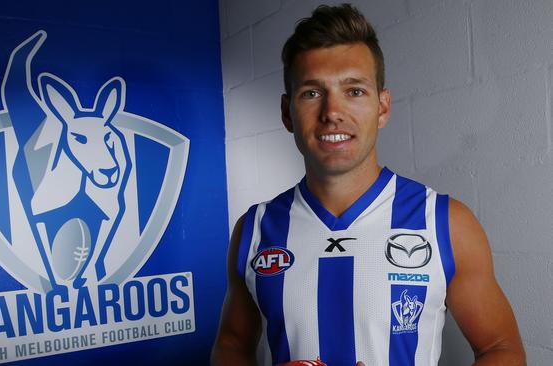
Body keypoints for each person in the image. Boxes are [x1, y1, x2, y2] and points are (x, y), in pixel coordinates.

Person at [211, 4, 525, 366]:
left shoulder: (447, 223)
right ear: (287, 113)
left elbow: (502, 349)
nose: (332, 112)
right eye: (312, 93)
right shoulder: (253, 230)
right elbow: (231, 346)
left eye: (354, 91)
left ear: (383, 107)